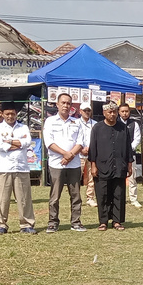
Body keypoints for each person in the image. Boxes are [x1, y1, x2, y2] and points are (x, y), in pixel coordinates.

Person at [0, 104, 36, 235]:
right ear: (3, 114)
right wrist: (18, 143)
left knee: (24, 198)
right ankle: (1, 224)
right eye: (7, 114)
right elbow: (0, 146)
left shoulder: (23, 127)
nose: (10, 116)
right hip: (4, 167)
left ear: (16, 114)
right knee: (2, 198)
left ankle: (26, 224)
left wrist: (9, 141)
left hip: (21, 167)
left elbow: (27, 142)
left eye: (12, 114)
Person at [44, 92, 86, 233]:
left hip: (74, 163)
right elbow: (49, 143)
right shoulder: (50, 121)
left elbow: (80, 142)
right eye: (63, 103)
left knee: (76, 195)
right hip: (56, 163)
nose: (66, 106)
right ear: (57, 104)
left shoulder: (77, 122)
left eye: (68, 103)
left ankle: (76, 222)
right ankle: (53, 222)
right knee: (55, 196)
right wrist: (65, 154)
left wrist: (70, 156)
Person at [88, 101, 134, 231]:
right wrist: (93, 165)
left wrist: (129, 164)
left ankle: (117, 221)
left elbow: (128, 148)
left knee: (118, 194)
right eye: (109, 112)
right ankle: (103, 221)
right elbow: (93, 148)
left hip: (119, 166)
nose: (112, 114)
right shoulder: (97, 128)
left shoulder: (123, 128)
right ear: (104, 113)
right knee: (102, 194)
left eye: (114, 112)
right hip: (102, 166)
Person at [119, 102, 143, 209]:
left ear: (129, 112)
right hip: (118, 155)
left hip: (130, 155)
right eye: (122, 111)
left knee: (132, 177)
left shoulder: (134, 124)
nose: (124, 113)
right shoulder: (115, 123)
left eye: (126, 111)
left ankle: (133, 199)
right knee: (118, 177)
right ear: (119, 112)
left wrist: (129, 149)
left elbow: (137, 138)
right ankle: (120, 198)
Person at [78, 102, 97, 207]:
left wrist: (91, 148)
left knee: (92, 176)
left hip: (91, 154)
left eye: (88, 110)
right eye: (84, 110)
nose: (87, 112)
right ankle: (76, 198)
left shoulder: (95, 124)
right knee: (77, 177)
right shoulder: (75, 123)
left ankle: (90, 198)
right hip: (79, 154)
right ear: (80, 111)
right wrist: (80, 149)